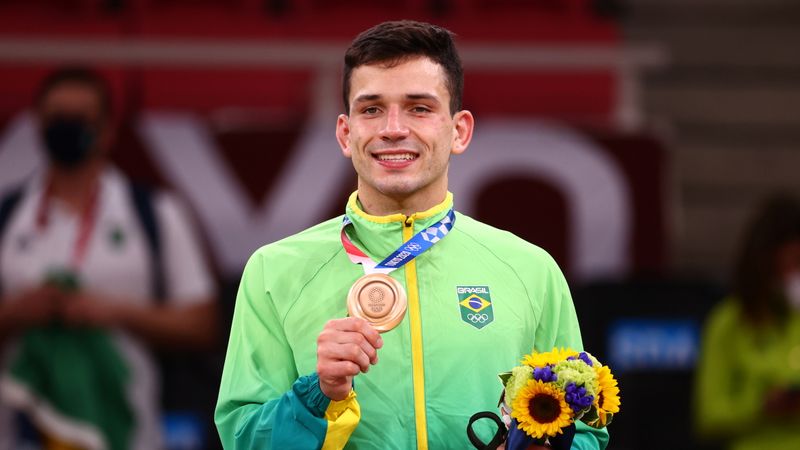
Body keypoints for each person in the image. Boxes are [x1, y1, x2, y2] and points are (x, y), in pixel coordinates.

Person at [215, 20, 609, 450]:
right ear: (346, 133)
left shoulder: (530, 269)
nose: (393, 128)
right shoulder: (275, 271)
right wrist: (317, 395)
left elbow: (586, 431)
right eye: (371, 109)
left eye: (419, 108)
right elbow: (242, 438)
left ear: (459, 130)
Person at [0, 67, 217, 449]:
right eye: (57, 118)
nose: (67, 128)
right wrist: (16, 312)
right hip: (20, 433)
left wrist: (115, 312)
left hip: (129, 434)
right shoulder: (7, 215)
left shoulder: (155, 211)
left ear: (107, 129)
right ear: (37, 124)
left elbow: (202, 322)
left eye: (80, 119)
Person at [695, 194, 800, 450]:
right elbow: (709, 416)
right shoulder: (728, 323)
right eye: (796, 262)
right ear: (766, 261)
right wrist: (762, 407)